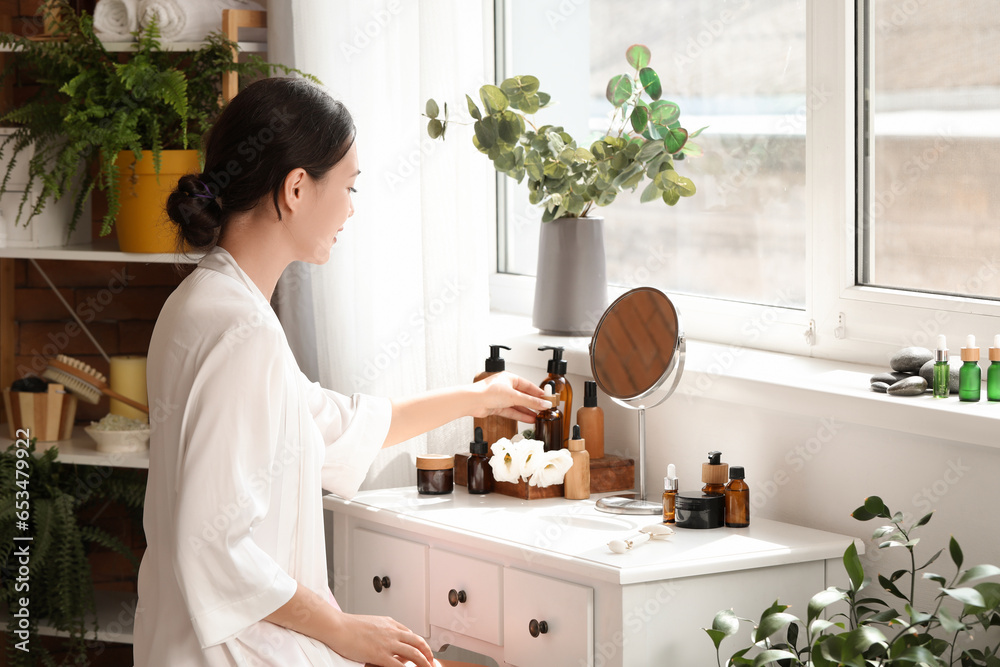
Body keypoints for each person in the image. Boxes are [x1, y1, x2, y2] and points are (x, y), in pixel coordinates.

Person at [133, 77, 549, 667]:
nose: (352, 209)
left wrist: (477, 398)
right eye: (349, 187)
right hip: (231, 651)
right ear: (297, 188)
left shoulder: (206, 302)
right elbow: (212, 542)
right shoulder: (239, 330)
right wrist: (340, 629)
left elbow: (330, 427)